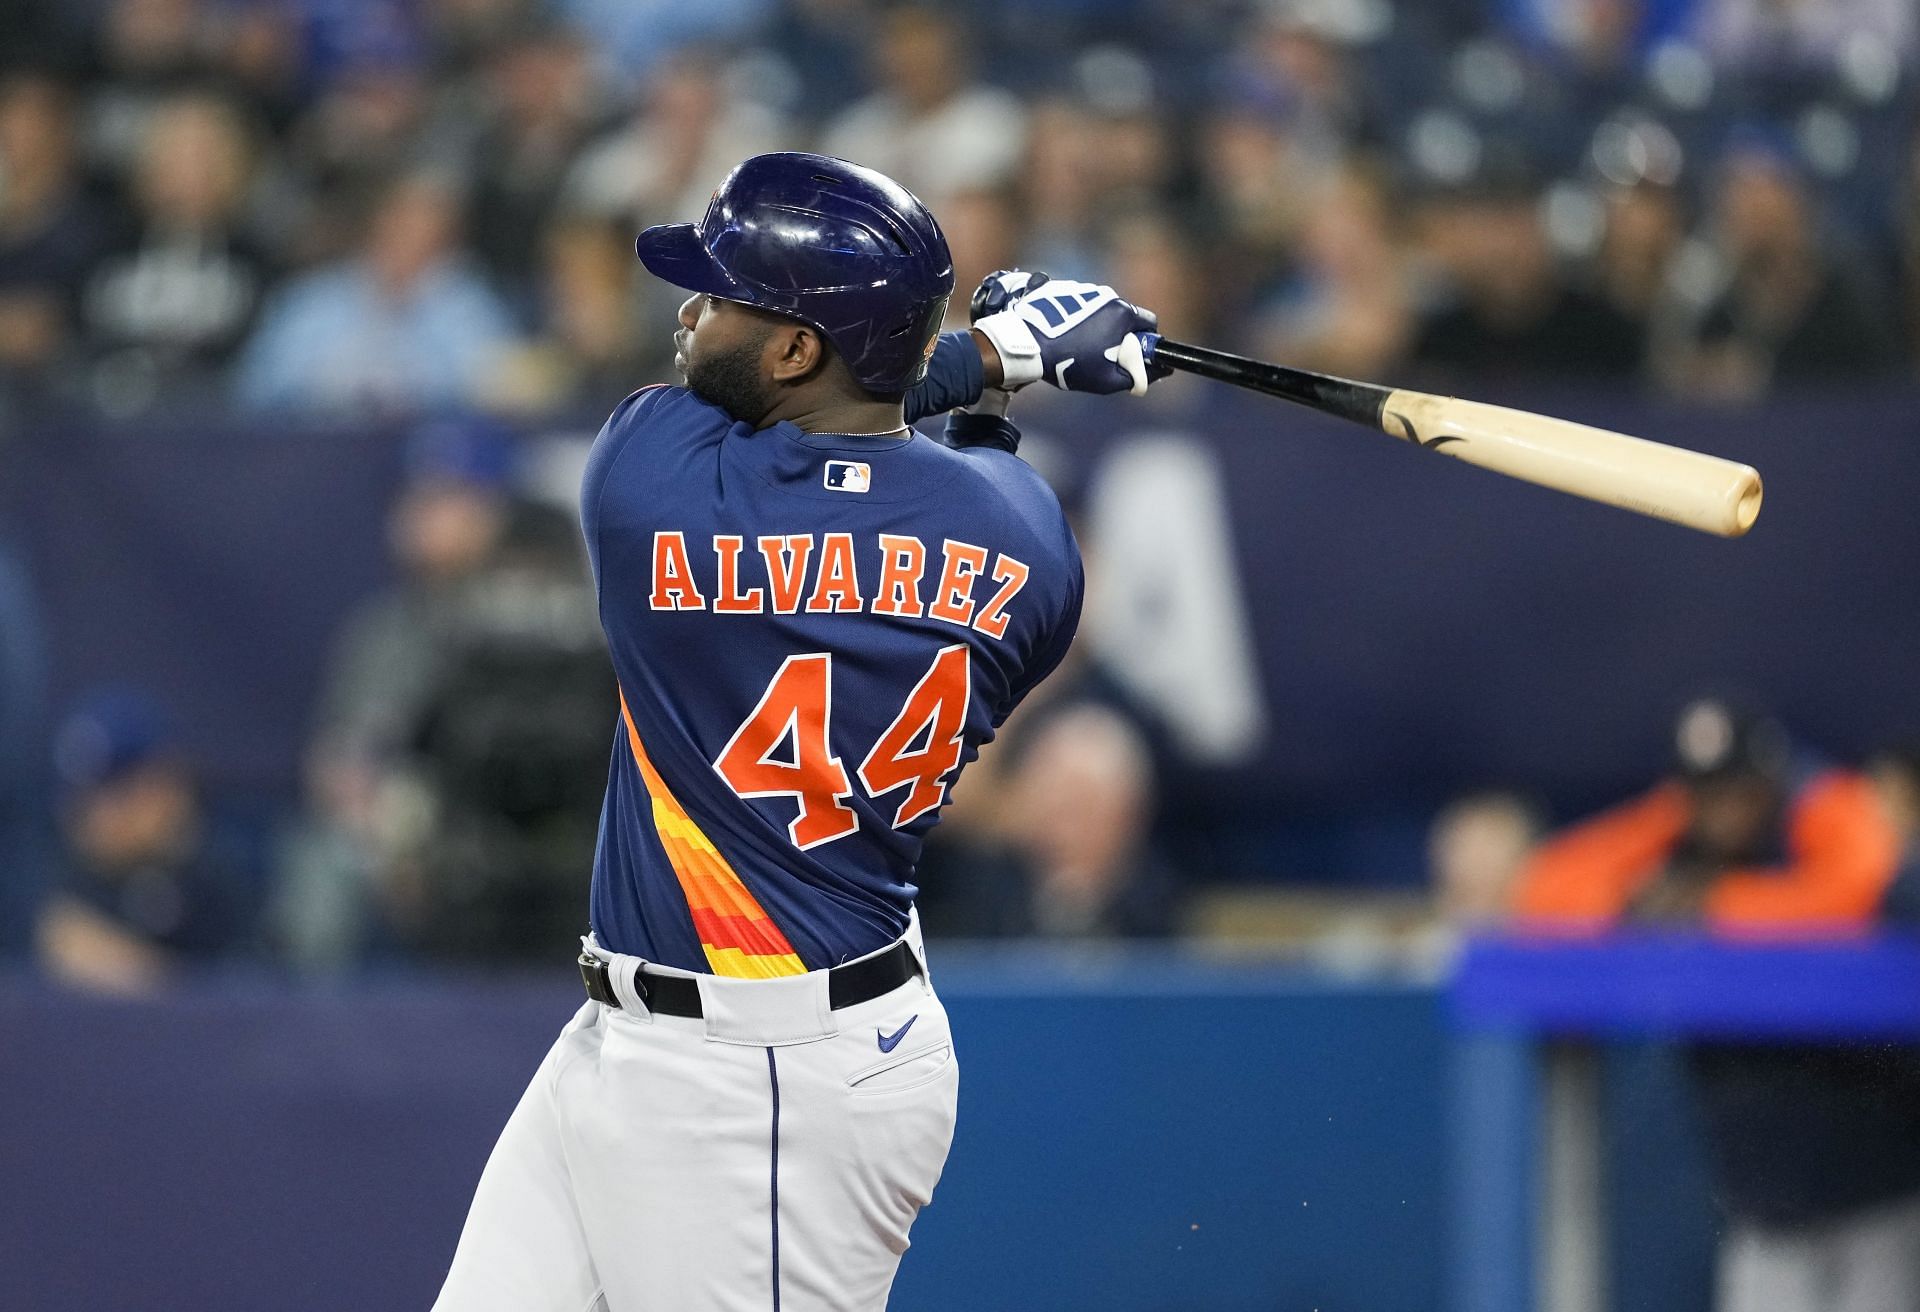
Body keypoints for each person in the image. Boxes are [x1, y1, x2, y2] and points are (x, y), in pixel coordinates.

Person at [432, 153, 1163, 1311]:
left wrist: (1000, 350)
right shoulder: (1032, 546)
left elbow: (877, 423)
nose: (691, 312)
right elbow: (917, 447)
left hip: (768, 1077)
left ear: (793, 349)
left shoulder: (647, 477)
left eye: (725, 298)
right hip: (680, 1033)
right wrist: (995, 368)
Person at [1512, 698, 1920, 1312]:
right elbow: (1544, 889)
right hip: (1767, 1212)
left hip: (1878, 1197)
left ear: (1771, 782)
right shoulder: (1680, 841)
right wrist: (1659, 837)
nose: (1722, 810)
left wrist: (1717, 905)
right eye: (1705, 793)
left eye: (1739, 790)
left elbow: (1863, 884)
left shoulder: (1824, 812)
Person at [275, 414, 516, 969]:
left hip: (500, 831)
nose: (425, 517)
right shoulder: (381, 631)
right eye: (420, 498)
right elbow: (334, 761)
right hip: (397, 833)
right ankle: (321, 1041)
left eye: (450, 499)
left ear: (493, 512)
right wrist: (386, 831)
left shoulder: (534, 617)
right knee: (321, 864)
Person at [233, 171, 520, 412]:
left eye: (432, 229)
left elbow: (496, 390)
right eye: (403, 222)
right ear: (380, 224)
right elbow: (256, 391)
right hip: (316, 456)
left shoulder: (468, 306)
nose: (413, 238)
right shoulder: (313, 300)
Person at [37, 689, 258, 995]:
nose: (95, 817)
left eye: (117, 796)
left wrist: (126, 968)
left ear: (165, 783)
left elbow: (254, 1002)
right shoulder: (55, 872)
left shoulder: (225, 874)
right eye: (85, 800)